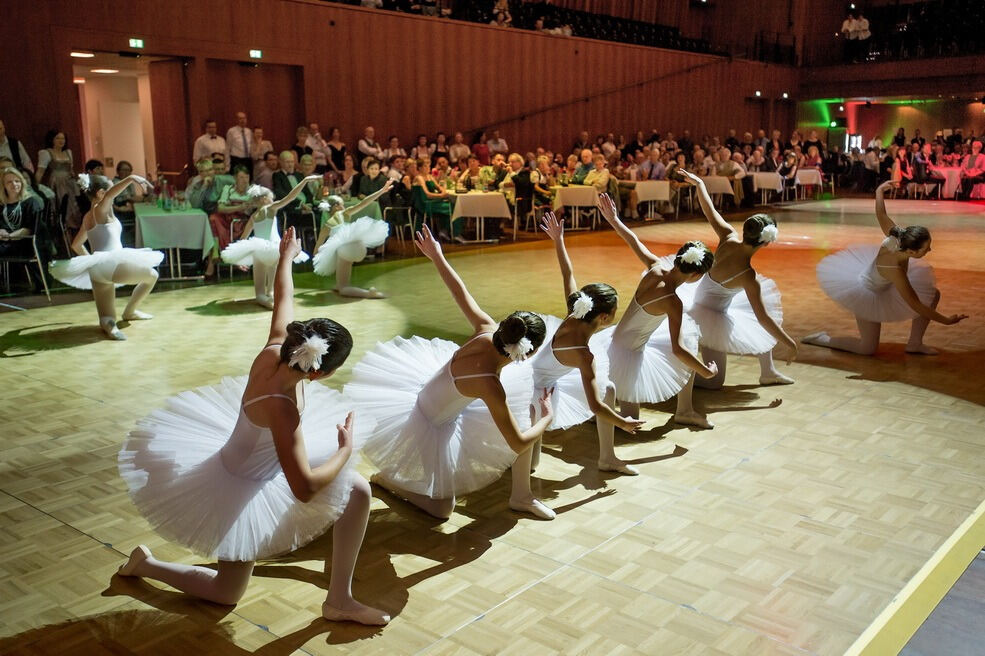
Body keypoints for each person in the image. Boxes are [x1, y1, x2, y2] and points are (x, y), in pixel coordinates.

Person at [117, 228, 389, 625]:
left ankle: (340, 600)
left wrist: (286, 257)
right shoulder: (283, 409)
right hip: (242, 486)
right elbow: (305, 488)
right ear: (319, 374)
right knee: (225, 594)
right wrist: (345, 450)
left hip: (250, 459)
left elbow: (283, 297)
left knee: (358, 490)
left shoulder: (275, 348)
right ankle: (148, 565)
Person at [344, 225, 553, 520]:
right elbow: (517, 442)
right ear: (527, 350)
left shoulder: (487, 330)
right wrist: (547, 417)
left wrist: (438, 257)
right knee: (442, 510)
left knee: (524, 410)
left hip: (447, 398)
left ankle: (522, 495)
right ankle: (387, 479)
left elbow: (460, 292)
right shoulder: (489, 383)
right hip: (430, 423)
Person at [526, 212, 645, 491]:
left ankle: (608, 457)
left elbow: (567, 273)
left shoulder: (574, 312)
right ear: (603, 318)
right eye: (614, 311)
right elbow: (594, 406)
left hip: (550, 374)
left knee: (610, 388)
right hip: (537, 388)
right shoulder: (583, 354)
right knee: (531, 465)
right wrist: (623, 422)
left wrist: (559, 240)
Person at [595, 194, 719, 428]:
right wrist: (705, 371)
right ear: (695, 276)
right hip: (628, 354)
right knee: (631, 419)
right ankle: (684, 410)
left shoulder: (655, 268)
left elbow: (633, 240)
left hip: (617, 341)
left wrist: (614, 219)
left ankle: (684, 411)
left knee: (689, 344)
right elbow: (677, 349)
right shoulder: (672, 302)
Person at [804, 181, 967, 355]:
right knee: (867, 348)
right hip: (868, 293)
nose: (930, 250)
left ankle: (915, 343)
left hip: (885, 286)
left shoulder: (898, 236)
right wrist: (946, 321)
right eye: (926, 248)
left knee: (933, 294)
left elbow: (881, 214)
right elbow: (916, 305)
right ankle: (823, 339)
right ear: (911, 251)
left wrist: (879, 190)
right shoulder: (894, 268)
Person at [677, 171, 797, 389]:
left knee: (754, 313)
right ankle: (676, 374)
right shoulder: (747, 275)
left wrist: (700, 183)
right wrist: (790, 343)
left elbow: (709, 210)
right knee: (714, 383)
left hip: (706, 301)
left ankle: (768, 372)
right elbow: (764, 320)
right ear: (766, 242)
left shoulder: (728, 236)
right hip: (706, 316)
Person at [48, 173, 161, 340]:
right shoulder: (101, 209)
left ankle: (110, 325)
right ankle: (130, 311)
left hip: (98, 270)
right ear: (100, 193)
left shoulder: (88, 216)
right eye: (110, 189)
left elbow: (76, 245)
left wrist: (91, 263)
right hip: (113, 264)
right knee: (152, 276)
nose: (114, 195)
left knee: (106, 318)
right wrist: (130, 178)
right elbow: (110, 195)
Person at [221, 176, 318, 309]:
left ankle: (264, 298)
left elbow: (243, 239)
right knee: (271, 287)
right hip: (274, 250)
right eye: (271, 198)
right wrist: (304, 181)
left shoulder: (253, 216)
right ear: (264, 199)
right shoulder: (270, 208)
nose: (273, 200)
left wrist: (239, 260)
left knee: (260, 292)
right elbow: (290, 197)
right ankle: (271, 298)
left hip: (259, 251)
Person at [312, 179, 394, 299]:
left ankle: (367, 293)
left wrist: (316, 260)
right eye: (341, 204)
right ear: (335, 206)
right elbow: (365, 202)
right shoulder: (345, 214)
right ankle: (340, 283)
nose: (344, 206)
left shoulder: (326, 226)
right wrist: (381, 191)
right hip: (360, 248)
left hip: (346, 251)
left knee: (343, 288)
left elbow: (317, 249)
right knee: (342, 261)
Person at [206, 165, 255, 277]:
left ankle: (215, 254)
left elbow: (252, 208)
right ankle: (216, 254)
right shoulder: (228, 189)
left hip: (242, 221)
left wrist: (237, 208)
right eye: (241, 177)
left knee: (215, 221)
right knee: (214, 218)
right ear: (235, 178)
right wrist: (239, 207)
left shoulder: (252, 190)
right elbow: (220, 208)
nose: (244, 180)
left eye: (246, 177)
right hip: (226, 218)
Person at [1, 168, 45, 282]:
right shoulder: (2, 206)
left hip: (25, 244)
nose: (14, 184)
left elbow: (29, 229)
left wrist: (9, 237)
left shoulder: (31, 202)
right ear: (3, 186)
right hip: (5, 244)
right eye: (9, 182)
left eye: (17, 181)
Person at [35, 129, 82, 231]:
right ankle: (63, 229)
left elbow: (71, 170)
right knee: (61, 205)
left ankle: (74, 230)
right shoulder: (46, 153)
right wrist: (35, 187)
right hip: (56, 182)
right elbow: (40, 171)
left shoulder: (68, 152)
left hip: (69, 182)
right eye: (58, 138)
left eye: (63, 138)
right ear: (52, 140)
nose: (61, 140)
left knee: (73, 206)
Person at [225, 112, 253, 178]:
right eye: (240, 118)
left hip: (248, 160)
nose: (242, 120)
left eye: (244, 118)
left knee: (248, 178)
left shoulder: (249, 131)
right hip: (237, 160)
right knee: (237, 179)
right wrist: (227, 165)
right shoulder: (231, 131)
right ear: (236, 120)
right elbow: (227, 148)